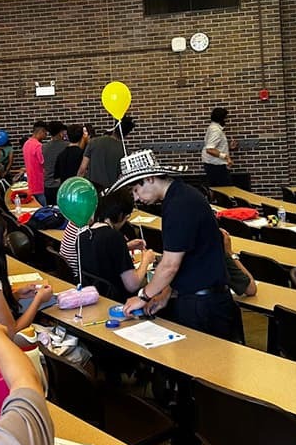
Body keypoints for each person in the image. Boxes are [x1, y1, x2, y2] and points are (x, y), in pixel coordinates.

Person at [117, 151, 237, 341]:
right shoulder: (180, 196)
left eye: (136, 190)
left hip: (202, 305)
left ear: (149, 178)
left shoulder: (179, 205)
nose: (137, 198)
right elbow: (188, 256)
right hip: (200, 298)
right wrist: (165, 294)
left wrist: (143, 296)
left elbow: (170, 265)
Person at [76, 187, 155, 301]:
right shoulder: (115, 237)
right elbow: (132, 285)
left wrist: (126, 247)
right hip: (120, 300)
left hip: (95, 297)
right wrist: (146, 260)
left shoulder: (82, 236)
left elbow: (101, 255)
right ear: (121, 215)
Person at [78, 116, 135, 191]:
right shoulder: (125, 151)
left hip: (93, 190)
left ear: (114, 128)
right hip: (111, 192)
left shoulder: (94, 142)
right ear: (126, 134)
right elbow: (122, 177)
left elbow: (82, 169)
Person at [201, 107, 236, 186]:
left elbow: (215, 146)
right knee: (225, 189)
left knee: (218, 188)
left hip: (213, 164)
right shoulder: (216, 130)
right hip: (216, 165)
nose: (226, 120)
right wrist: (226, 157)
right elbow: (210, 149)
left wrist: (229, 147)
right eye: (225, 118)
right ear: (222, 119)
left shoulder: (213, 128)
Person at [22, 121, 48, 206]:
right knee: (44, 210)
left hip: (30, 183)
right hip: (39, 184)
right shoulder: (38, 146)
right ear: (41, 131)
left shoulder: (26, 144)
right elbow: (44, 163)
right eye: (45, 133)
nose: (46, 136)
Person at [41, 121, 67, 206]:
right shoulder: (67, 146)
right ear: (60, 132)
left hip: (48, 185)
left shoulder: (43, 147)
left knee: (52, 210)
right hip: (62, 185)